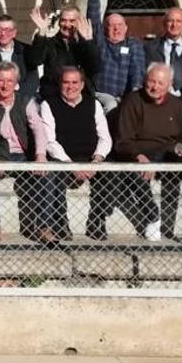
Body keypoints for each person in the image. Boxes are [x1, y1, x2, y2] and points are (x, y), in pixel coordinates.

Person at [32, 67, 111, 240]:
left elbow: (105, 138)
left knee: (110, 174)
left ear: (82, 85)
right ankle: (60, 223)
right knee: (53, 172)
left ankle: (97, 221)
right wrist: (71, 166)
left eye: (75, 82)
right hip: (63, 159)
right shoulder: (48, 104)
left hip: (90, 159)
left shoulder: (94, 104)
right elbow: (50, 141)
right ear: (60, 85)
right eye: (66, 82)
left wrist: (96, 161)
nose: (70, 87)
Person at [113, 64, 182, 242]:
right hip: (140, 152)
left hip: (168, 152)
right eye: (151, 81)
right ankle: (152, 215)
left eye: (160, 83)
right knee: (135, 169)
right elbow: (123, 140)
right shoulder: (132, 101)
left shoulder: (177, 106)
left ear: (169, 84)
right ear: (144, 81)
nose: (154, 87)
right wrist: (139, 157)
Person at [0, 62, 49, 245]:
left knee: (46, 175)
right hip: (0, 155)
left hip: (24, 155)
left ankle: (43, 226)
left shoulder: (26, 101)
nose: (5, 85)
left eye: (9, 80)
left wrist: (40, 155)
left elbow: (38, 128)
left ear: (16, 82)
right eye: (1, 80)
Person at [86, 0, 146, 109]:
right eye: (112, 25)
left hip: (126, 96)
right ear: (105, 29)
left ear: (126, 28)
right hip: (103, 94)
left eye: (119, 25)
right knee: (111, 105)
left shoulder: (133, 45)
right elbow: (93, 15)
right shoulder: (102, 43)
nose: (116, 28)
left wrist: (136, 89)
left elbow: (137, 69)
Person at [27, 4, 99, 99]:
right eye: (63, 20)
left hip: (82, 96)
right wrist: (41, 33)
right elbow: (34, 61)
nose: (67, 25)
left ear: (79, 22)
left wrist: (88, 41)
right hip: (53, 95)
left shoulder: (85, 44)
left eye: (72, 21)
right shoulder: (49, 43)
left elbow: (95, 68)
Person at [144, 7, 182, 104]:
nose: (174, 25)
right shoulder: (150, 49)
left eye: (179, 21)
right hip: (158, 103)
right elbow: (143, 75)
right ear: (164, 24)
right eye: (170, 21)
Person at [0, 15, 37, 98]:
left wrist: (17, 97)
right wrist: (5, 92)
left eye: (7, 30)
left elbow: (32, 80)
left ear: (14, 33)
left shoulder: (26, 50)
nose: (3, 33)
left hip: (23, 97)